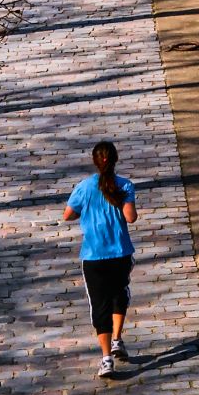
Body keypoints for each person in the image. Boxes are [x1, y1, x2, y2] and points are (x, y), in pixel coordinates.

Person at [64, 141, 137, 376]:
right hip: (120, 252)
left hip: (93, 256)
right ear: (115, 160)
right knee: (119, 294)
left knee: (99, 305)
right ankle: (117, 339)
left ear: (95, 161)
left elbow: (68, 215)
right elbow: (131, 217)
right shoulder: (125, 185)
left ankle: (106, 359)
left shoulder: (84, 187)